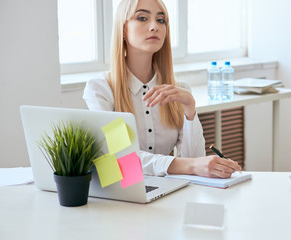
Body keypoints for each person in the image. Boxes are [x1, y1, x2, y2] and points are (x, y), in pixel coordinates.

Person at [83, 0, 241, 178]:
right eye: (142, 18)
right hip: (123, 193)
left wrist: (190, 109)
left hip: (168, 190)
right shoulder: (101, 89)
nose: (154, 27)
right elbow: (121, 160)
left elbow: (194, 162)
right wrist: (187, 165)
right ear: (123, 29)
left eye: (161, 20)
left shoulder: (179, 90)